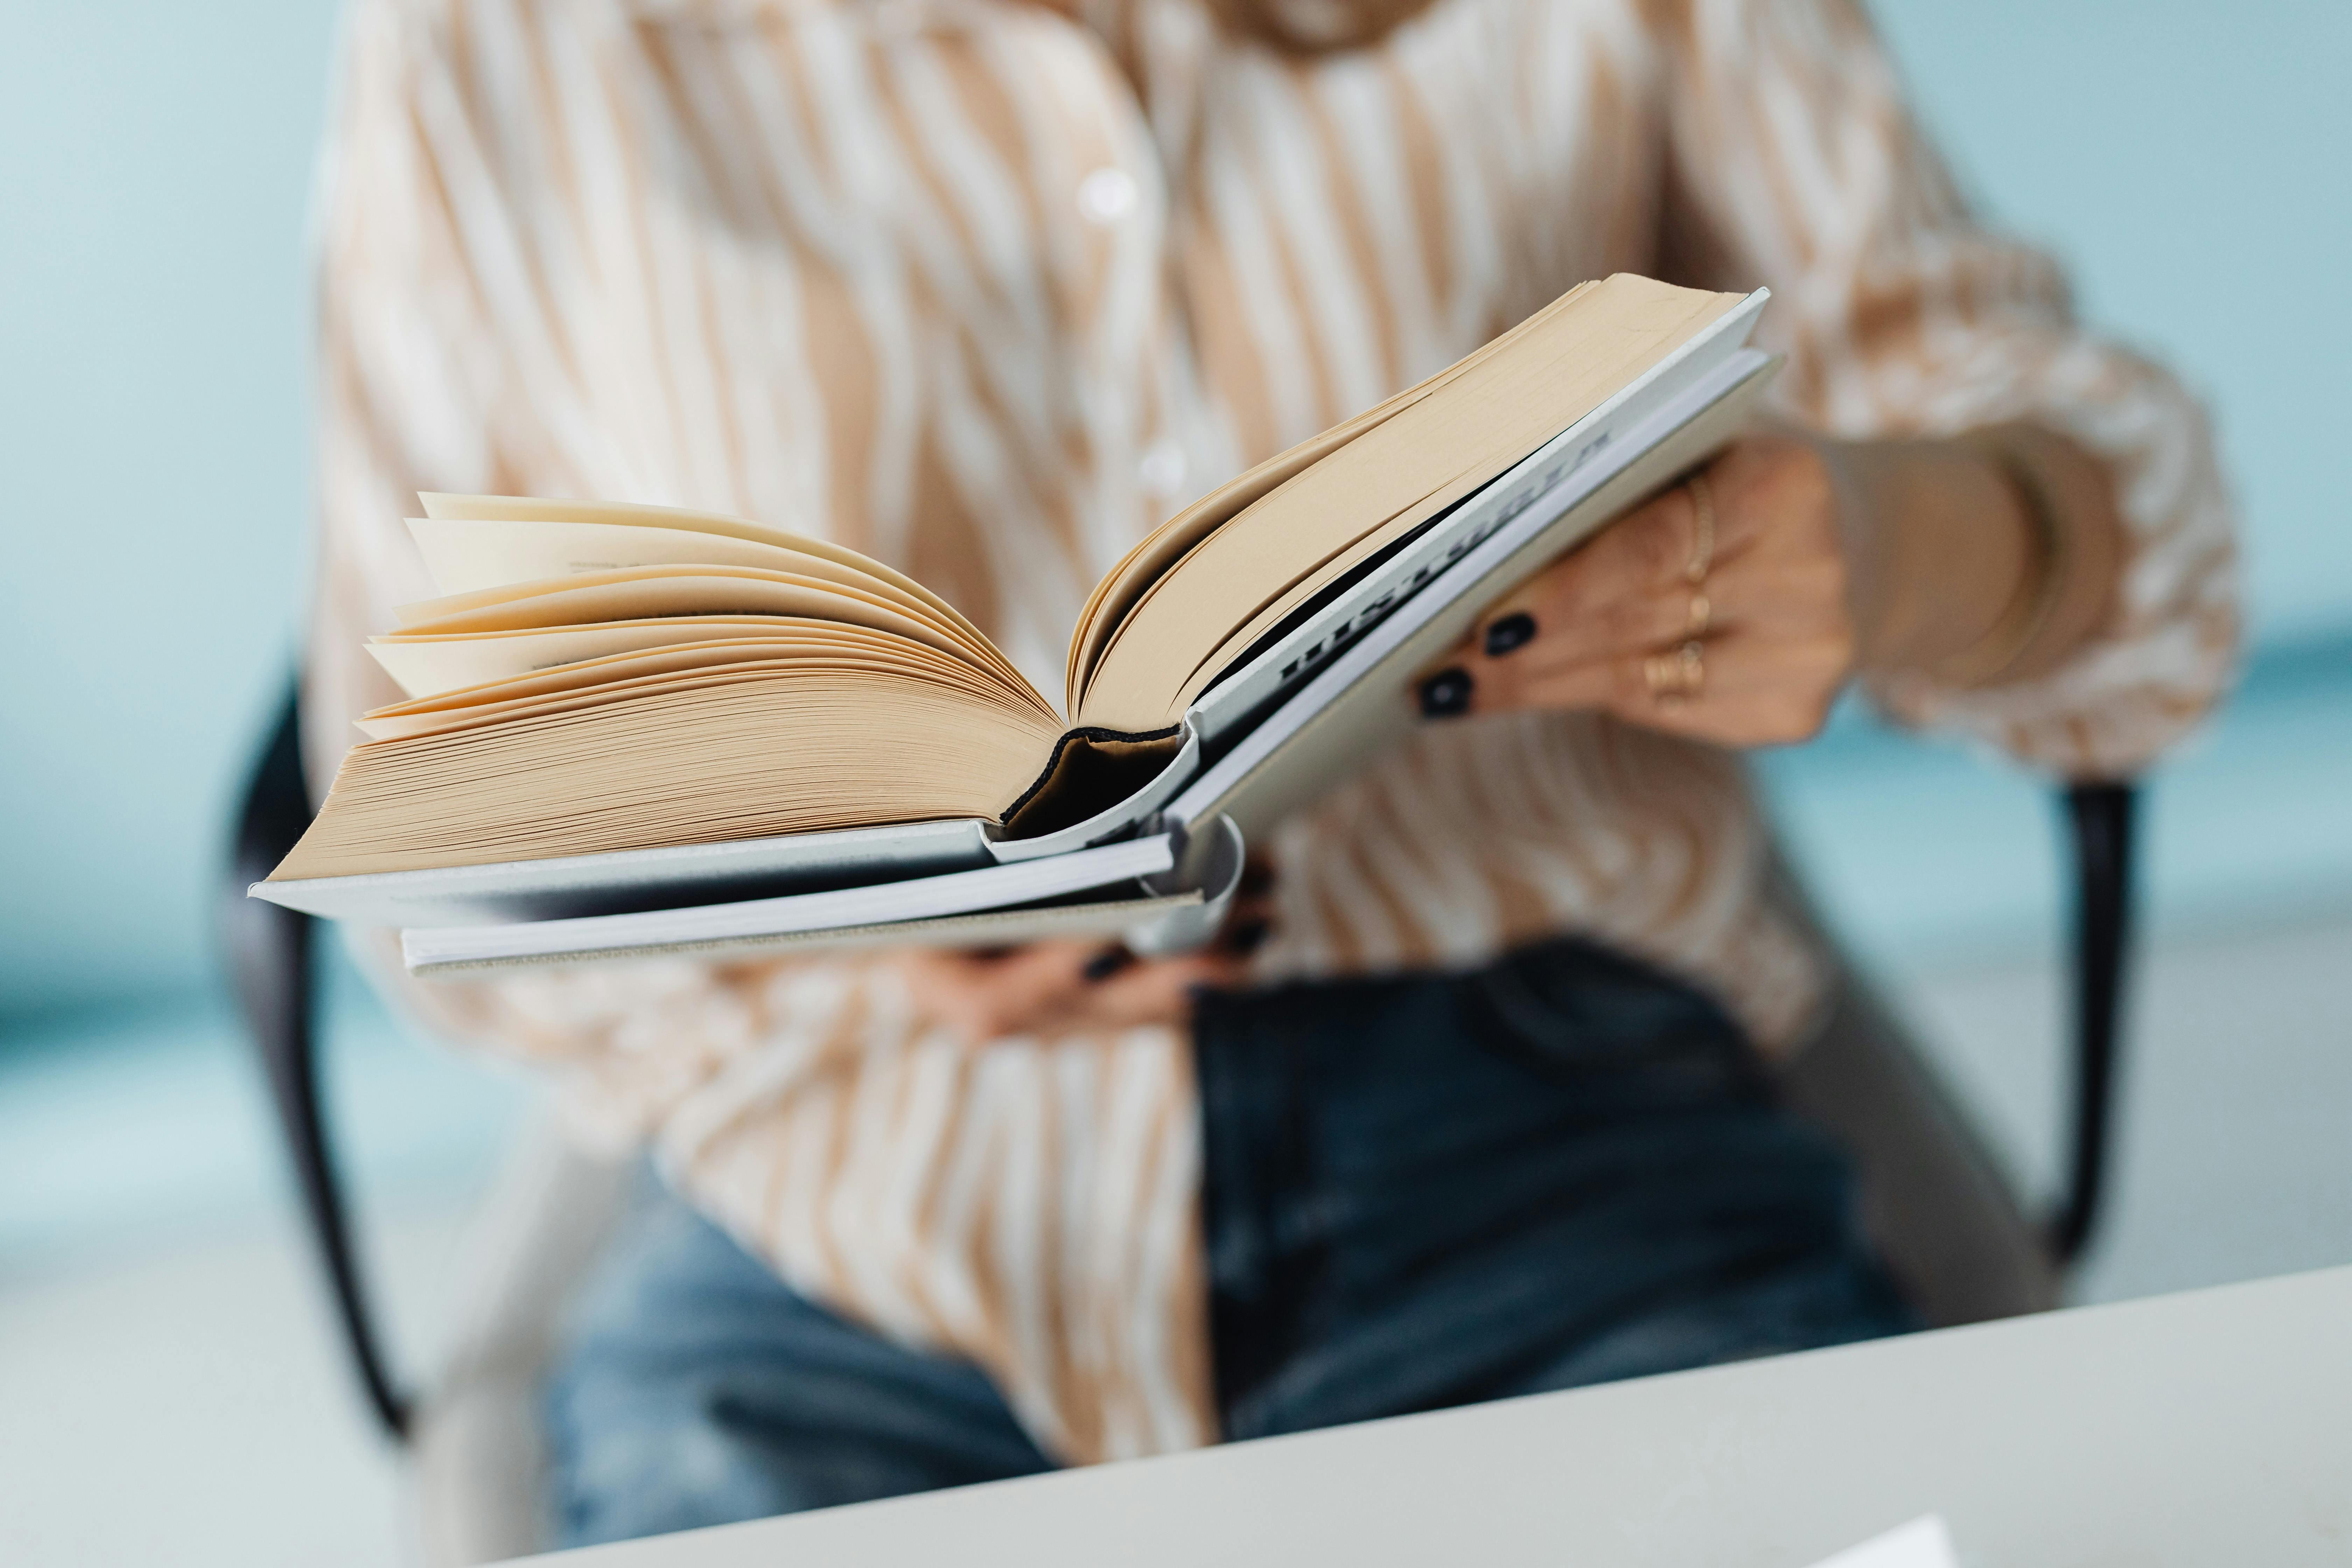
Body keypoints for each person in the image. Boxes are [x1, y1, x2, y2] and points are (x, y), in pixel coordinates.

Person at [305, 0, 2235, 1545]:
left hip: (1550, 1114)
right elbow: (420, 809)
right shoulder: (498, 45)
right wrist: (841, 931)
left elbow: (2097, 506)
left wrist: (1911, 542)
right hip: (851, 1195)